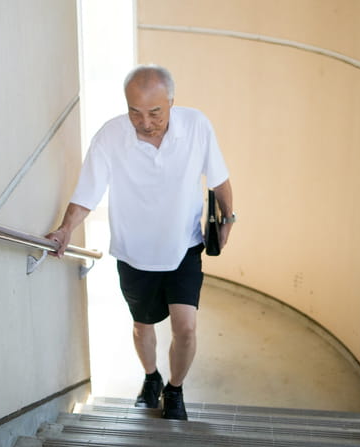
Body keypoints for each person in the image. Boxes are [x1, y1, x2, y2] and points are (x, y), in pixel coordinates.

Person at [46, 64, 234, 421]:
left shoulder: (196, 126)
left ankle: (174, 390)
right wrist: (65, 228)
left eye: (155, 113)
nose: (144, 123)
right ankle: (151, 378)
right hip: (134, 254)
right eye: (135, 112)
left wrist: (229, 219)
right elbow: (87, 191)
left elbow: (220, 179)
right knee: (141, 326)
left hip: (184, 248)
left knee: (186, 328)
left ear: (172, 102)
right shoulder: (110, 137)